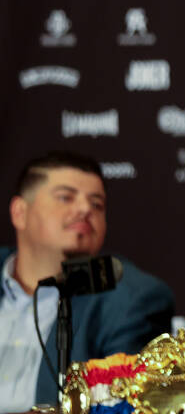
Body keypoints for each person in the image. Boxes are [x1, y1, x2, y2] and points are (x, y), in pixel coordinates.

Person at [1, 151, 174, 411]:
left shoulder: (131, 299)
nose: (84, 209)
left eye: (97, 204)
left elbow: (120, 406)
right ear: (20, 212)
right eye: (65, 197)